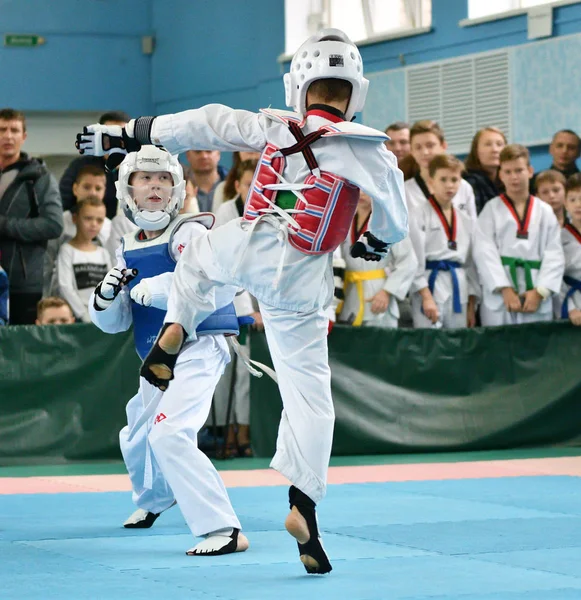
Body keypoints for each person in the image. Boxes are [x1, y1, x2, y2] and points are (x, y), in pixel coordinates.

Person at [76, 28, 407, 575]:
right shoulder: (366, 147)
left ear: (298, 84)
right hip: (302, 274)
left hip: (249, 242)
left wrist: (134, 132)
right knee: (309, 394)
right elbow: (393, 211)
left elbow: (209, 121)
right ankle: (304, 504)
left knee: (199, 258)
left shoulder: (274, 124)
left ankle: (175, 330)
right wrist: (378, 240)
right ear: (356, 92)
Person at [88, 146, 249, 556]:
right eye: (145, 179)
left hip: (197, 346)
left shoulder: (189, 233)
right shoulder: (125, 244)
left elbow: (216, 284)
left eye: (162, 179)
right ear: (128, 190)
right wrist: (105, 300)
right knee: (138, 432)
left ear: (176, 188)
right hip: (153, 355)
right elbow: (119, 321)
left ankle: (224, 528)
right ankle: (155, 500)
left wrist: (160, 290)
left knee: (170, 432)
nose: (154, 186)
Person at [473, 144, 564, 326]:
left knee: (535, 349)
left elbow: (555, 254)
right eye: (508, 171)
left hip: (536, 290)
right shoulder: (491, 209)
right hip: (500, 295)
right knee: (498, 348)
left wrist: (540, 292)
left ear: (530, 171)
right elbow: (484, 252)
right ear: (500, 175)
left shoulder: (545, 211)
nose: (514, 177)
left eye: (519, 170)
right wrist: (504, 288)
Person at [213, 159, 263, 458]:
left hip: (259, 303)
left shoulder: (272, 212)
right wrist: (243, 309)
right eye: (249, 184)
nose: (255, 189)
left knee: (246, 375)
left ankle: (243, 429)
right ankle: (226, 431)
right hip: (227, 299)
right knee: (222, 370)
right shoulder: (225, 213)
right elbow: (223, 262)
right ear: (237, 185)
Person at [0, 108, 63, 324]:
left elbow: (54, 225)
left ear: (23, 136)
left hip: (23, 284)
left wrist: (5, 225)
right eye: (2, 130)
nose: (8, 136)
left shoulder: (39, 177)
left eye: (14, 130)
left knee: (20, 352)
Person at [408, 155, 479, 329]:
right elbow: (413, 259)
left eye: (454, 179)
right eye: (443, 179)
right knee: (428, 344)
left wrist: (471, 304)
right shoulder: (417, 214)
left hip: (458, 285)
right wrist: (426, 296)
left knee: (458, 343)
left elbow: (470, 265)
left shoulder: (465, 219)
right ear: (431, 182)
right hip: (428, 284)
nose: (449, 185)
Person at [336, 191, 417, 327]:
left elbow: (408, 262)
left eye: (367, 189)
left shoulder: (389, 223)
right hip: (348, 293)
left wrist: (387, 292)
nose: (361, 194)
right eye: (359, 188)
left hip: (378, 294)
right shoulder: (345, 219)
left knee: (381, 344)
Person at [60, 111, 130, 218]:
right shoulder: (80, 166)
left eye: (121, 135)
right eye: (110, 134)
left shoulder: (140, 168)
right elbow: (62, 202)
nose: (116, 140)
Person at [404, 119, 477, 220]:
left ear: (443, 146)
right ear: (411, 151)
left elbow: (473, 230)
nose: (424, 152)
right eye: (418, 147)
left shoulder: (464, 187)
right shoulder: (405, 192)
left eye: (430, 145)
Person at [56, 197, 111, 322]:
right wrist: (84, 314)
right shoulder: (67, 250)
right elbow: (65, 286)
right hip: (79, 317)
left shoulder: (103, 253)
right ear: (75, 219)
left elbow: (110, 286)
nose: (94, 224)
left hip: (103, 315)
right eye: (88, 218)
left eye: (99, 220)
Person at [463, 127, 506, 214]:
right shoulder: (468, 183)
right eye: (488, 144)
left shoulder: (507, 182)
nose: (495, 150)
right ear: (476, 151)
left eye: (499, 144)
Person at [560, 173, 581, 326]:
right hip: (575, 301)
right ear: (565, 204)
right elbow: (556, 276)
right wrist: (571, 308)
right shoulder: (558, 238)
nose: (578, 204)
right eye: (572, 200)